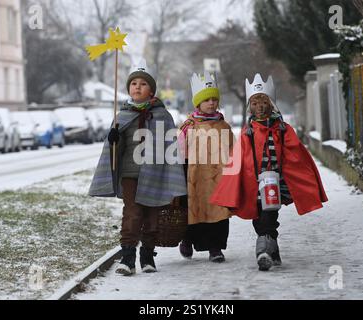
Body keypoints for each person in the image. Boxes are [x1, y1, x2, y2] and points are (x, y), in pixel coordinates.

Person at [210, 73, 328, 271]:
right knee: (259, 217)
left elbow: (296, 153)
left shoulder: (283, 128)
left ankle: (262, 251)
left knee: (269, 215)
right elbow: (240, 157)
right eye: (255, 103)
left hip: (277, 182)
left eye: (264, 102)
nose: (260, 107)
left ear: (271, 104)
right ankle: (273, 251)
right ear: (250, 107)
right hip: (255, 182)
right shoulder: (248, 131)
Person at [88, 59, 187, 276]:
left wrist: (172, 177)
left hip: (155, 174)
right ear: (129, 89)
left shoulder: (162, 115)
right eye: (134, 84)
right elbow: (116, 149)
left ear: (151, 89)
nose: (138, 87)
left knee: (152, 215)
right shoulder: (122, 115)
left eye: (143, 84)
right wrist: (114, 138)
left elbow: (170, 147)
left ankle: (148, 255)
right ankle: (128, 257)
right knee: (132, 213)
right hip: (130, 173)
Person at [178, 71, 234, 263]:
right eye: (206, 100)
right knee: (194, 210)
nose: (211, 103)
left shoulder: (223, 126)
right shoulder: (189, 126)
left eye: (214, 99)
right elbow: (179, 152)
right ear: (198, 103)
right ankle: (187, 240)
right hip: (195, 178)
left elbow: (233, 150)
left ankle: (215, 247)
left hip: (219, 178)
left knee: (218, 212)